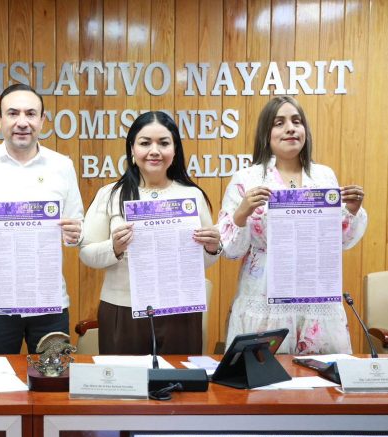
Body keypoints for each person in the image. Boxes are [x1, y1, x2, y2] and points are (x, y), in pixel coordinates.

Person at [219, 95, 368, 355]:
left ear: (305, 131)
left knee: (321, 377)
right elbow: (231, 250)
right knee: (265, 376)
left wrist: (351, 211)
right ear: (266, 133)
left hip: (315, 295)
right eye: (279, 123)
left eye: (296, 122)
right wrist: (241, 213)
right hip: (265, 295)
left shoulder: (323, 176)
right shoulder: (246, 179)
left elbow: (338, 242)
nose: (290, 128)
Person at [0, 83, 84, 354]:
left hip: (48, 300)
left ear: (42, 120)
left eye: (30, 114)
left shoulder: (62, 165)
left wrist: (76, 234)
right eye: (13, 113)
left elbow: (77, 228)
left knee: (54, 374)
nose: (22, 122)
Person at [79, 111, 222, 355]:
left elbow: (203, 261)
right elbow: (86, 253)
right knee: (126, 379)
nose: (154, 151)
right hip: (123, 310)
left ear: (174, 150)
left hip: (180, 309)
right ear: (132, 149)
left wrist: (211, 248)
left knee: (179, 378)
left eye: (163, 143)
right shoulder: (110, 194)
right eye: (145, 143)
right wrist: (114, 248)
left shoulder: (191, 195)